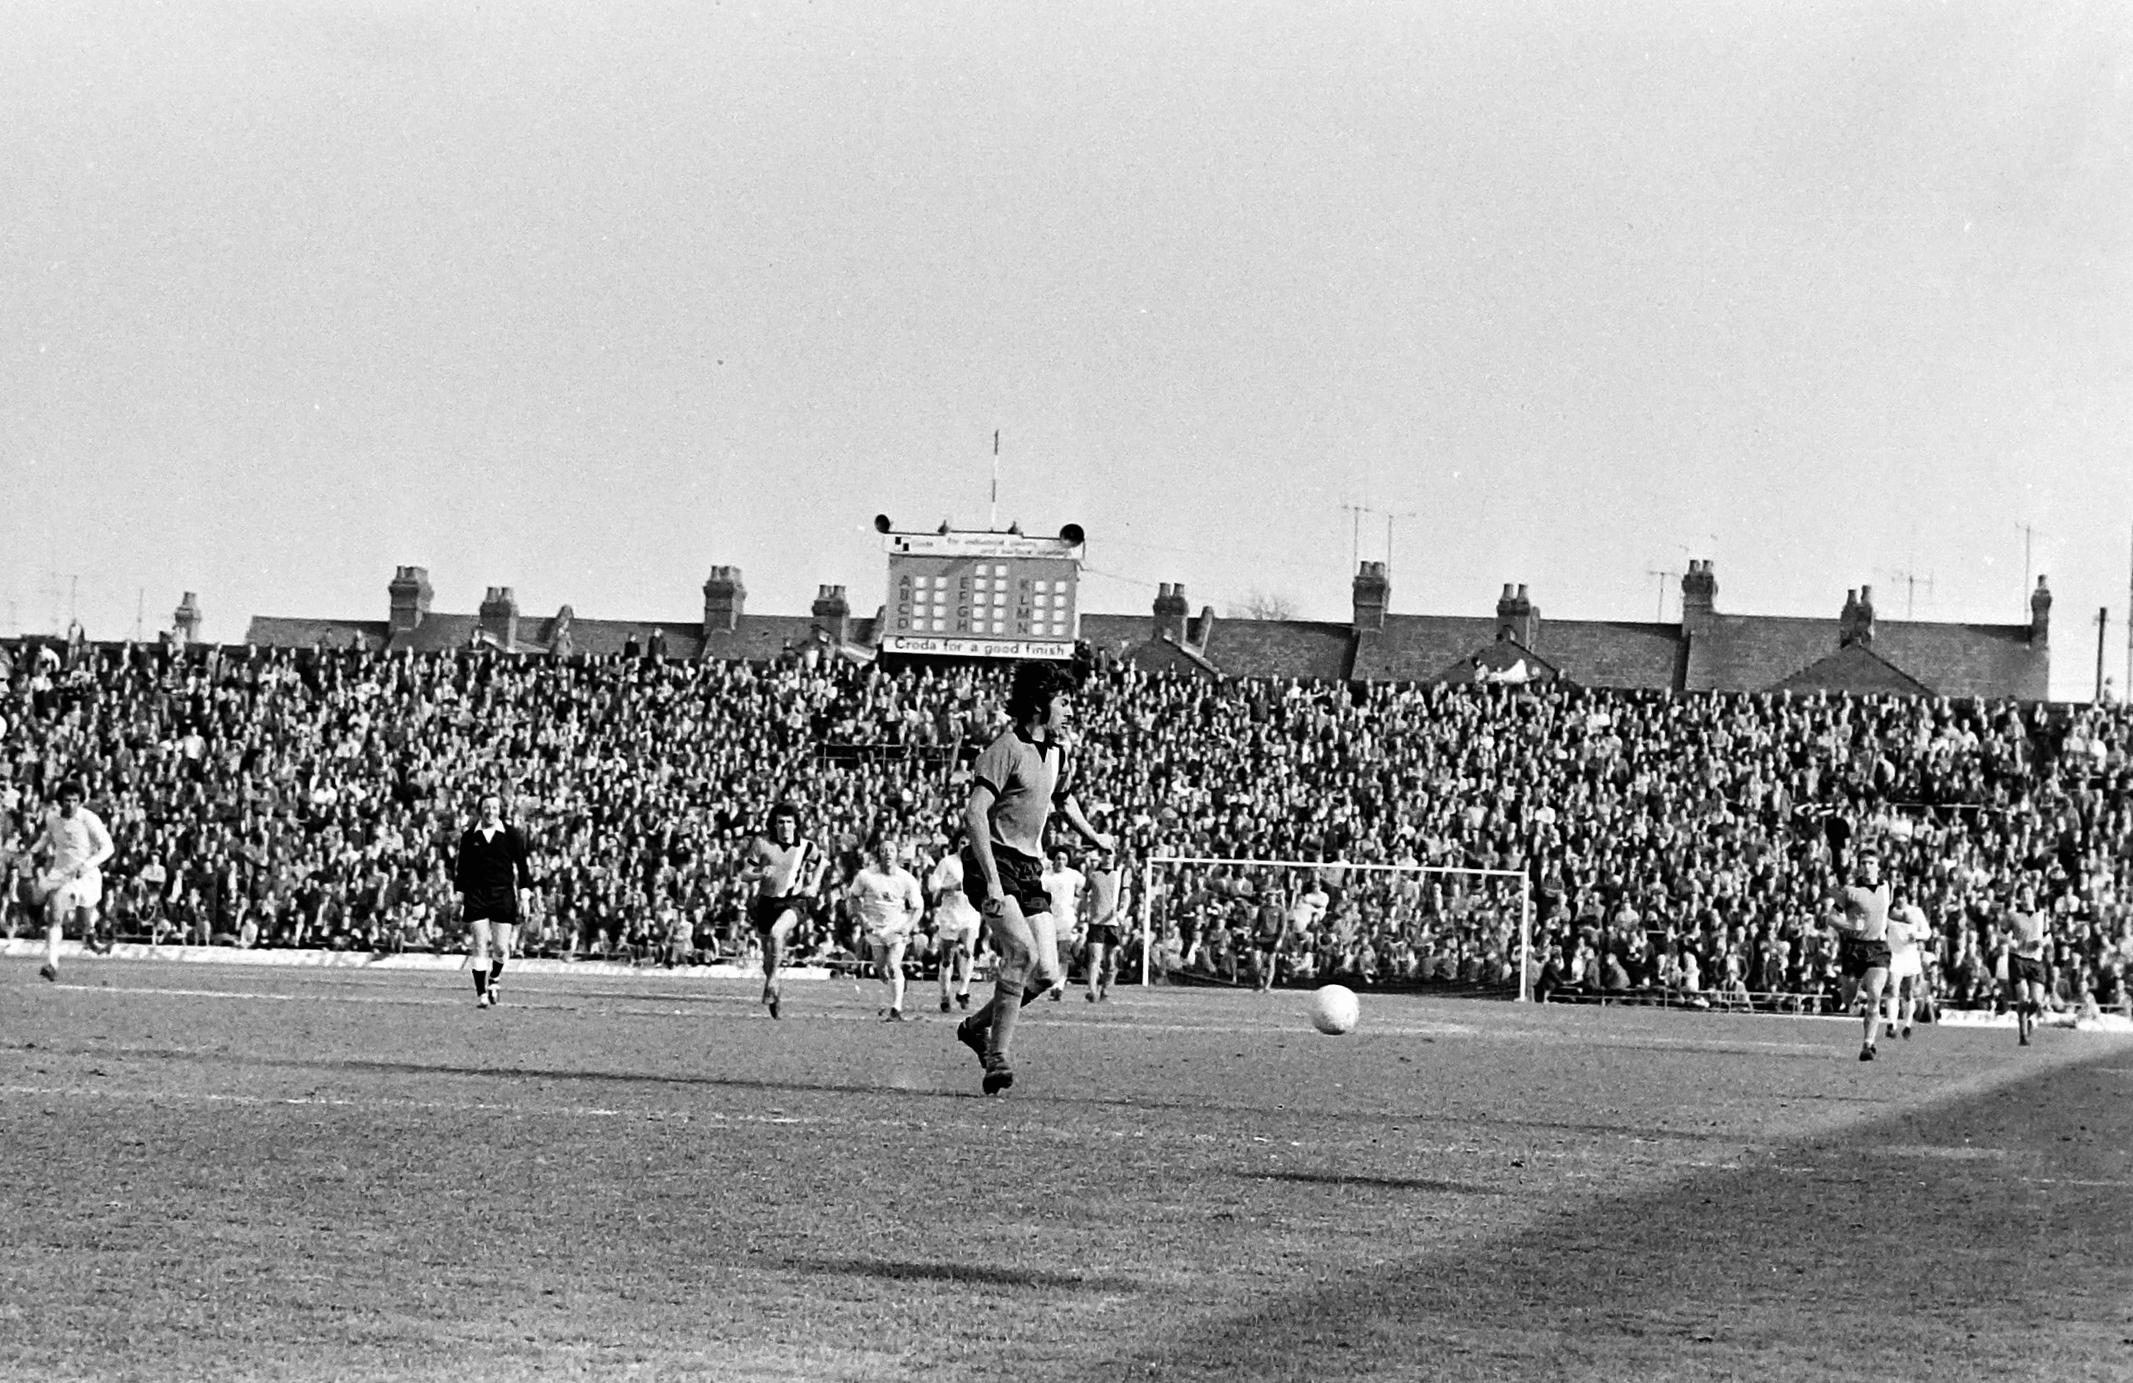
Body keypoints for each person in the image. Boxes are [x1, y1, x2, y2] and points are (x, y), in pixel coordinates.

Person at [953, 662, 1113, 1095]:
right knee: (1019, 954)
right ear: (1040, 705)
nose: (1070, 711)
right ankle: (997, 1059)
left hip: (1028, 868)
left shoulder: (1057, 752)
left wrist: (1094, 835)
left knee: (1045, 974)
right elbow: (974, 812)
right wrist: (990, 880)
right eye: (1063, 702)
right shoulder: (1006, 748)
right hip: (995, 863)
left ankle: (974, 1028)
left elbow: (1064, 798)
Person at [739, 802, 824, 1019]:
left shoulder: (805, 846)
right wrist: (759, 874)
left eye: (789, 822)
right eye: (780, 822)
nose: (785, 827)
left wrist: (814, 884)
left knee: (778, 933)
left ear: (796, 824)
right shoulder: (762, 844)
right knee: (768, 958)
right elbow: (744, 874)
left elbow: (822, 862)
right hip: (767, 903)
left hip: (793, 902)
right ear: (774, 824)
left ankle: (772, 981)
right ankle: (775, 990)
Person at [454, 792, 535, 1008]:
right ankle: (481, 993)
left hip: (503, 895)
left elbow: (523, 866)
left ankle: (494, 979)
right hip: (477, 894)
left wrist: (525, 896)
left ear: (500, 811)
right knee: (480, 944)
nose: (491, 811)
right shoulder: (470, 835)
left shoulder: (511, 834)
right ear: (480, 810)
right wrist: (459, 898)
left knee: (501, 948)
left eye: (495, 807)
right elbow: (462, 869)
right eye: (487, 807)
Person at [29, 780, 114, 983]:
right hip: (62, 875)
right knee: (55, 915)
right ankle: (51, 964)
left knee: (84, 921)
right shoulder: (52, 818)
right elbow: (48, 837)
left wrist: (88, 864)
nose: (71, 804)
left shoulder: (89, 819)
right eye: (67, 800)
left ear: (80, 801)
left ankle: (90, 938)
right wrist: (33, 851)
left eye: (75, 800)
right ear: (60, 801)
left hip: (87, 876)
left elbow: (108, 847)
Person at [1825, 821, 1893, 1062]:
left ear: (1878, 866)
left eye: (1871, 863)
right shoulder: (1850, 891)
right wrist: (1850, 926)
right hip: (1854, 948)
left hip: (1877, 948)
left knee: (1875, 994)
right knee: (1848, 997)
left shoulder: (1887, 887)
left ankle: (1868, 1044)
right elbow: (1831, 918)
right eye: (1863, 863)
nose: (1867, 867)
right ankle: (1847, 995)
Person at [847, 831, 924, 1020]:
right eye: (883, 851)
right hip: (874, 927)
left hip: (897, 926)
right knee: (881, 969)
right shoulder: (866, 876)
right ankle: (898, 984)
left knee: (892, 964)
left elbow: (918, 907)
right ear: (878, 854)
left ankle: (896, 1009)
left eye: (891, 850)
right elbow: (853, 896)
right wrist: (862, 918)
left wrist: (908, 926)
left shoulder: (906, 878)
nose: (887, 854)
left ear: (897, 854)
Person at [927, 846, 981, 1013]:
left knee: (969, 951)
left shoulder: (979, 861)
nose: (966, 844)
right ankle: (945, 994)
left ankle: (963, 990)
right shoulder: (947, 862)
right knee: (947, 957)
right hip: (950, 914)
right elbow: (933, 885)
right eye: (962, 840)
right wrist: (951, 887)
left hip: (970, 912)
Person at [1039, 848, 1088, 1001]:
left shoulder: (1073, 875)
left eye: (1064, 859)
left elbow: (1087, 889)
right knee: (1049, 955)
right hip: (1049, 919)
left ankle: (1058, 986)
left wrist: (1081, 909)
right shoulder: (1046, 877)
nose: (1060, 862)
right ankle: (1052, 982)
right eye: (1058, 858)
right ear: (1053, 860)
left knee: (1063, 953)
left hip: (1067, 920)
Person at [1081, 846, 1127, 1002]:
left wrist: (1122, 912)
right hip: (1096, 922)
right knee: (1095, 957)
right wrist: (1082, 911)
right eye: (1104, 854)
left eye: (1110, 854)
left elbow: (1126, 895)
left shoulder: (1119, 875)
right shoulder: (1094, 875)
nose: (1107, 857)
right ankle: (1092, 990)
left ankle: (1105, 989)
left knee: (1111, 960)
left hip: (1112, 923)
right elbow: (1084, 893)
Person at [2006, 885, 2051, 1047]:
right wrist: (2012, 943)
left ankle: (2031, 1019)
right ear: (2019, 898)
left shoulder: (2042, 914)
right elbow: (2003, 934)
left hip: (2036, 960)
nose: (2026, 896)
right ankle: (2023, 1034)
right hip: (2018, 959)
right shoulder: (2013, 915)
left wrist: (2042, 943)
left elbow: (2048, 935)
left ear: (2033, 895)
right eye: (2023, 894)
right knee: (2023, 998)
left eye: (2028, 893)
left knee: (2037, 1001)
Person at [1884, 893, 1928, 1039]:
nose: (1899, 901)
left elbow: (1927, 932)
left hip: (1910, 956)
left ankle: (1908, 1024)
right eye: (1897, 899)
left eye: (1902, 898)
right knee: (1893, 989)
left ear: (1906, 899)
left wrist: (1916, 935)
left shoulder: (1916, 912)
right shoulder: (1888, 912)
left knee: (1908, 992)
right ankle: (1892, 1025)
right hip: (1895, 956)